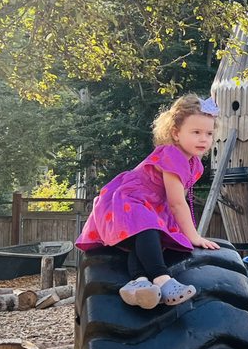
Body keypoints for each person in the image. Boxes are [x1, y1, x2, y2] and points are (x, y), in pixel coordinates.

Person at [76, 94, 221, 308]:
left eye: (209, 133)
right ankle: (162, 280)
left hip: (148, 206)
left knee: (149, 238)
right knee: (147, 226)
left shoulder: (195, 164)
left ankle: (139, 284)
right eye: (196, 132)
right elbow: (176, 202)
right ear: (176, 133)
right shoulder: (172, 154)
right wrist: (193, 235)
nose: (204, 139)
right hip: (128, 200)